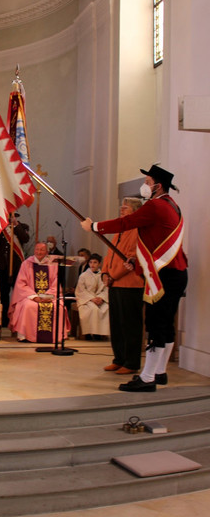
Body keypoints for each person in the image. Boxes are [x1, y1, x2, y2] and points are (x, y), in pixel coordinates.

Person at [81, 164, 188, 392]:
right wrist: (137, 263)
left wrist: (94, 226)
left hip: (165, 277)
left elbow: (125, 223)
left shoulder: (156, 206)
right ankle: (159, 373)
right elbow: (156, 245)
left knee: (156, 325)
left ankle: (147, 378)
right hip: (175, 273)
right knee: (165, 325)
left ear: (158, 186)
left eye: (148, 182)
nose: (145, 186)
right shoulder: (173, 206)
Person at [100, 197, 144, 374]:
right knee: (116, 324)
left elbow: (131, 257)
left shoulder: (138, 230)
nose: (122, 210)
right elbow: (110, 254)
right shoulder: (119, 230)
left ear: (135, 212)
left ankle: (131, 362)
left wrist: (113, 276)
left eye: (125, 208)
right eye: (121, 207)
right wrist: (104, 273)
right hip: (114, 283)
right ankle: (119, 358)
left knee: (130, 324)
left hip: (130, 284)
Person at [8, 241, 70, 343]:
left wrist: (46, 297)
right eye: (37, 249)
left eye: (42, 250)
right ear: (34, 250)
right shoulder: (26, 264)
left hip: (49, 297)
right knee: (28, 306)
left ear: (47, 252)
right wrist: (34, 297)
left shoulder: (53, 264)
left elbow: (55, 283)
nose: (39, 252)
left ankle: (56, 336)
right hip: (30, 297)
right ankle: (25, 336)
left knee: (59, 307)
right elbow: (21, 284)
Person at [0, 213, 30, 327]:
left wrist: (15, 225)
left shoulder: (23, 227)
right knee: (3, 294)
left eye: (12, 217)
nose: (10, 218)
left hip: (16, 267)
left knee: (17, 294)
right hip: (3, 267)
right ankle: (4, 320)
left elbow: (25, 239)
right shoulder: (2, 229)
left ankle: (17, 319)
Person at [75, 253, 109, 340]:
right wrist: (92, 298)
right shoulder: (84, 275)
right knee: (93, 309)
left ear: (99, 264)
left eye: (95, 262)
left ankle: (100, 333)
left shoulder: (103, 276)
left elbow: (106, 289)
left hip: (100, 299)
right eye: (90, 262)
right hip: (87, 299)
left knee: (106, 308)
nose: (92, 265)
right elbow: (81, 290)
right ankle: (89, 333)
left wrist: (101, 298)